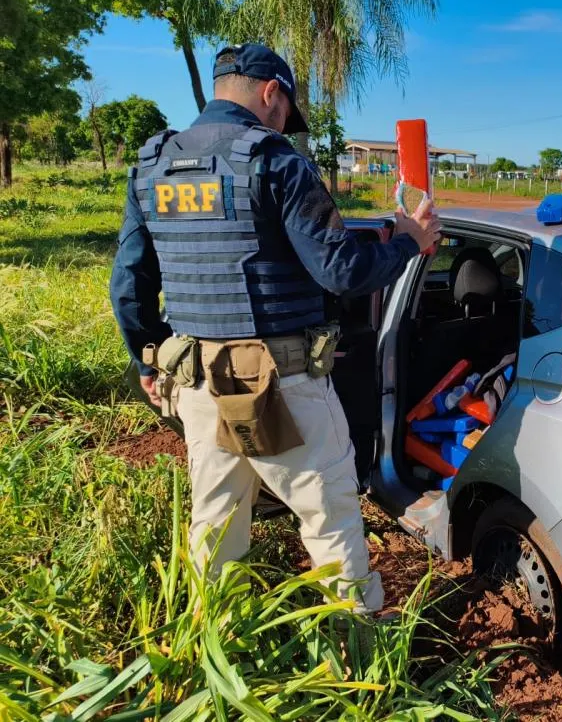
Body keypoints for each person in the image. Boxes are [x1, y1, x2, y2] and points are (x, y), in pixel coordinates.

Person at [109, 43, 440, 612]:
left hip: (195, 383)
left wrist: (147, 361)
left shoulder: (152, 166)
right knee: (329, 519)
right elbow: (340, 271)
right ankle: (357, 651)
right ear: (271, 93)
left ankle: (214, 639)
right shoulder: (275, 160)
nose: (286, 122)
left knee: (215, 520)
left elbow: (129, 281)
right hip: (283, 385)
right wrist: (411, 241)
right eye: (287, 109)